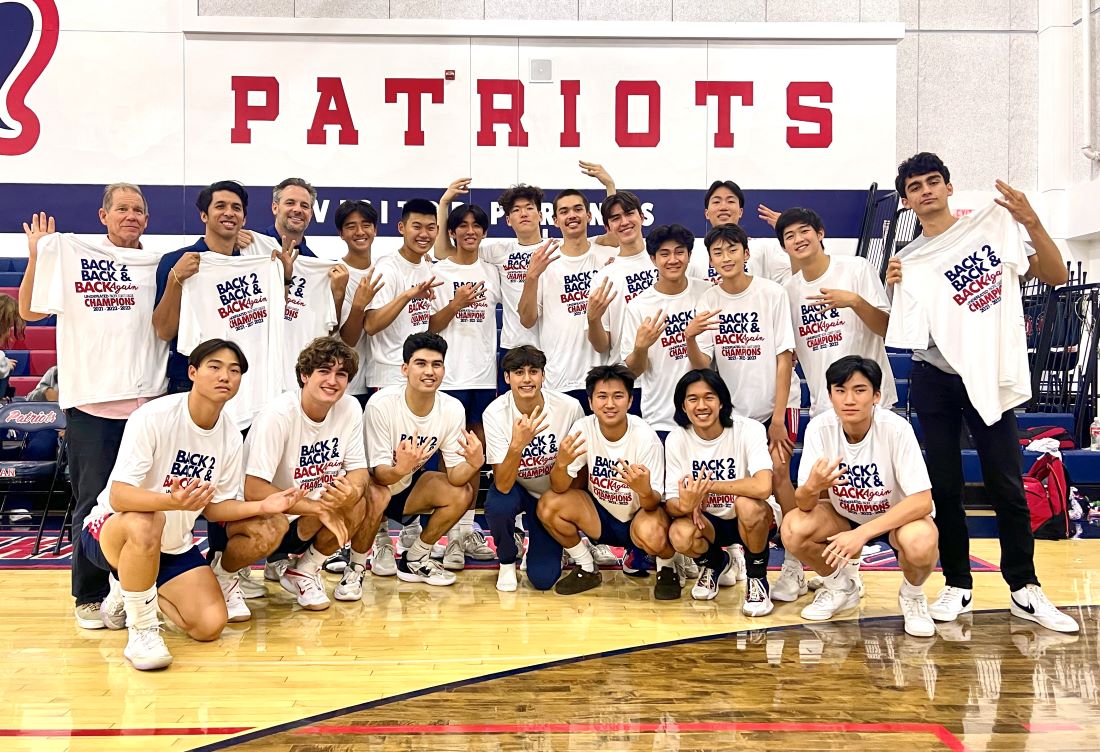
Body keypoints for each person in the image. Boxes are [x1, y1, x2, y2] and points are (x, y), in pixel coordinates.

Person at [886, 152, 1078, 633]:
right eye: (915, 186)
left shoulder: (994, 228)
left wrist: (1031, 221)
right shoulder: (908, 261)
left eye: (934, 181)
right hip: (936, 378)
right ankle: (957, 584)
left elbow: (1055, 275)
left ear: (949, 188)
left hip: (989, 373)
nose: (926, 190)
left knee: (1007, 485)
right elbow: (906, 330)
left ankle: (1024, 587)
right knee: (945, 488)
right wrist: (897, 293)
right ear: (907, 201)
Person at [78, 339, 301, 669]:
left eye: (234, 370)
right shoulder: (153, 416)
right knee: (149, 520)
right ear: (193, 372)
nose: (225, 375)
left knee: (209, 625)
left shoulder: (228, 434)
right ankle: (141, 630)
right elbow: (119, 496)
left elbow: (215, 508)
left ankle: (129, 591)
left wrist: (265, 506)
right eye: (215, 367)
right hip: (112, 531)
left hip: (173, 546)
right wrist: (172, 501)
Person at [18, 185, 169, 630]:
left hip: (148, 405)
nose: (130, 215)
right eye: (121, 208)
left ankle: (134, 591)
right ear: (103, 214)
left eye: (138, 209)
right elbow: (27, 312)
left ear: (147, 218)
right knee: (92, 504)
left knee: (146, 505)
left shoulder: (159, 265)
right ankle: (89, 594)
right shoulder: (72, 255)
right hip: (92, 405)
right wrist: (36, 256)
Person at [208, 337, 379, 615]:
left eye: (341, 374)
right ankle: (224, 577)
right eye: (324, 371)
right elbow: (254, 489)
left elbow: (359, 471)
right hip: (252, 515)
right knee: (271, 526)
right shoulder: (278, 414)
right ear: (304, 375)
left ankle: (305, 571)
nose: (332, 381)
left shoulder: (349, 408)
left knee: (360, 499)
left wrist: (352, 491)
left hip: (304, 515)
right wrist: (316, 508)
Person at [685, 222, 805, 601]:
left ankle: (795, 564)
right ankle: (737, 557)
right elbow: (703, 365)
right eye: (717, 252)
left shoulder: (770, 292)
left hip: (775, 406)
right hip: (733, 413)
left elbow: (784, 355)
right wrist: (690, 337)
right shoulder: (708, 299)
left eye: (732, 250)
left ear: (746, 252)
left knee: (780, 477)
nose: (726, 257)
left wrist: (777, 416)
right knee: (742, 491)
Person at [779, 356, 939, 638]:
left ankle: (913, 596)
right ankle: (840, 586)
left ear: (877, 395)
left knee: (922, 541)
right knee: (793, 527)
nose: (849, 399)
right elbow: (804, 504)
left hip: (894, 518)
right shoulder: (820, 427)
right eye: (840, 390)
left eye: (859, 390)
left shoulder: (896, 428)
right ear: (829, 396)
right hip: (842, 515)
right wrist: (811, 488)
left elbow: (922, 501)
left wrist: (862, 534)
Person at [536, 364, 671, 597]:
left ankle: (667, 570)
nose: (610, 404)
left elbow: (653, 504)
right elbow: (559, 487)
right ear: (590, 402)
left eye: (618, 396)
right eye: (602, 396)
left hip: (639, 516)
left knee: (655, 533)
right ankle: (586, 567)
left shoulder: (646, 437)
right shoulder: (582, 428)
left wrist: (644, 491)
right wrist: (562, 463)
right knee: (549, 504)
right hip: (600, 516)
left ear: (630, 401)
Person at [364, 333, 484, 586]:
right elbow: (377, 472)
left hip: (407, 485)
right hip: (371, 489)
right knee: (374, 488)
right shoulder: (381, 404)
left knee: (461, 492)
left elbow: (454, 475)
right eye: (421, 363)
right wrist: (400, 468)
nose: (429, 371)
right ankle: (380, 542)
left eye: (436, 364)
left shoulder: (452, 408)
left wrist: (475, 463)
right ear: (405, 369)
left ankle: (416, 557)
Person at [664, 370, 777, 614]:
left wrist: (706, 486)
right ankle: (716, 564)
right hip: (708, 522)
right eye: (693, 399)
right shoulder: (676, 439)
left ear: (722, 401)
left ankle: (757, 579)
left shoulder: (750, 429)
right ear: (683, 406)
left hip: (752, 518)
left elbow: (763, 486)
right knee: (680, 533)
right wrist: (687, 502)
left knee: (748, 504)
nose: (701, 405)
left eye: (709, 397)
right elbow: (672, 501)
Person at [427, 200, 501, 566]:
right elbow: (431, 326)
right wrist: (455, 304)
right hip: (449, 379)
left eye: (477, 225)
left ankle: (466, 532)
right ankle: (446, 533)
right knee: (447, 462)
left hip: (484, 378)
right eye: (462, 225)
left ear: (484, 232)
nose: (470, 230)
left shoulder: (493, 271)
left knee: (475, 459)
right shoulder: (439, 271)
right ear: (452, 232)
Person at [482, 346, 585, 591]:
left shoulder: (569, 408)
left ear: (543, 376)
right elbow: (503, 484)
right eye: (519, 372)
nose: (527, 379)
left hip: (554, 496)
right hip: (517, 488)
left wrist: (560, 505)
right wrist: (518, 444)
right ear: (507, 378)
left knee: (543, 580)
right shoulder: (494, 414)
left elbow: (581, 471)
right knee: (498, 503)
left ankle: (554, 544)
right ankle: (507, 560)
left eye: (533, 372)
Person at [778, 207, 897, 417]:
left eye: (804, 231)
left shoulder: (857, 268)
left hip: (873, 404)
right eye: (790, 236)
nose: (798, 239)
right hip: (824, 408)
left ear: (820, 233)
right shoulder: (787, 291)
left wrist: (854, 301)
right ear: (784, 247)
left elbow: (887, 328)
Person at [518, 188, 616, 406]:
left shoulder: (609, 257)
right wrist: (532, 276)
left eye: (578, 209)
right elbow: (526, 320)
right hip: (559, 378)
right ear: (555, 220)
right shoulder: (545, 260)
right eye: (564, 211)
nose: (571, 215)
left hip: (602, 379)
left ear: (589, 215)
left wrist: (609, 184)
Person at [620, 224, 711, 438]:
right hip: (659, 418)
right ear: (653, 259)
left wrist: (689, 338)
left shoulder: (707, 294)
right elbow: (633, 372)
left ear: (689, 255)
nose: (673, 260)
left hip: (704, 416)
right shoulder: (639, 305)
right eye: (664, 254)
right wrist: (641, 348)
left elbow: (704, 366)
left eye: (680, 252)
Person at [363, 199, 443, 389]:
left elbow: (424, 323)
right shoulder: (387, 269)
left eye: (430, 228)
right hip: (388, 375)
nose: (424, 234)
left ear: (437, 231)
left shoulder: (427, 266)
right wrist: (407, 296)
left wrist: (456, 304)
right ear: (401, 228)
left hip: (418, 372)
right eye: (417, 227)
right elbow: (371, 325)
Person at [587, 191, 658, 366]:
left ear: (642, 217)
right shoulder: (603, 277)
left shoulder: (667, 262)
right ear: (607, 228)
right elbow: (602, 345)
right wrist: (593, 319)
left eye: (629, 213)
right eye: (616, 218)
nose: (624, 222)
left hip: (671, 375)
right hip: (627, 377)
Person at [690, 179, 791, 283]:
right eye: (716, 202)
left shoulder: (763, 248)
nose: (723, 207)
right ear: (706, 213)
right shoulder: (691, 250)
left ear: (740, 212)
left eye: (730, 201)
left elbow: (793, 277)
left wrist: (788, 231)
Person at [333, 200, 384, 408]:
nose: (359, 231)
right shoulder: (336, 274)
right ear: (341, 233)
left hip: (383, 379)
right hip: (349, 384)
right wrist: (358, 306)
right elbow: (349, 339)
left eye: (366, 225)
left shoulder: (386, 269)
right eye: (350, 226)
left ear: (375, 230)